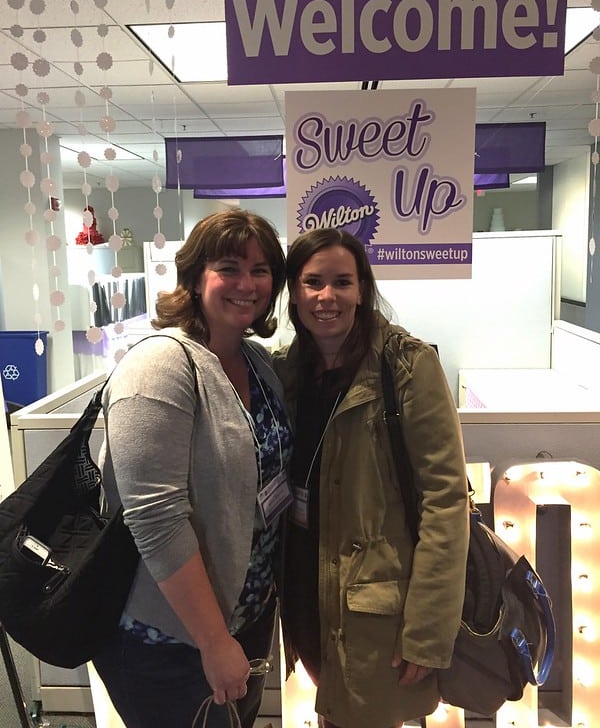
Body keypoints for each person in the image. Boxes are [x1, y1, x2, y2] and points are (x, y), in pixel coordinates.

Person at [92, 209, 293, 728]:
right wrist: (212, 640)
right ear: (196, 276)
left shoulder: (256, 362)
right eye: (229, 267)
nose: (247, 284)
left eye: (261, 269)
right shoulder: (159, 365)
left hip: (245, 621)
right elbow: (156, 519)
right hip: (173, 641)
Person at [273, 228, 469, 728]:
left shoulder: (406, 365)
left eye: (342, 281)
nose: (327, 296)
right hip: (305, 585)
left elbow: (445, 501)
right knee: (333, 712)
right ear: (294, 291)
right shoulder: (291, 370)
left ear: (362, 288)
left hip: (375, 604)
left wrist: (428, 630)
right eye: (312, 282)